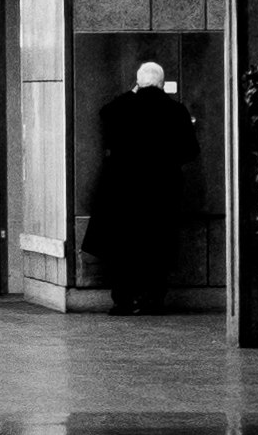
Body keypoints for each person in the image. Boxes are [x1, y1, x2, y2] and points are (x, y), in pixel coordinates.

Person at [83, 55, 201, 314]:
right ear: (161, 84)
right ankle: (152, 300)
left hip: (123, 190)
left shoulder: (122, 107)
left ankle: (123, 301)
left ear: (138, 83)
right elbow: (190, 151)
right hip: (161, 190)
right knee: (157, 246)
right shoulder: (176, 110)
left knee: (123, 247)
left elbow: (105, 112)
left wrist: (132, 91)